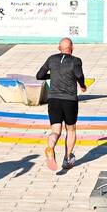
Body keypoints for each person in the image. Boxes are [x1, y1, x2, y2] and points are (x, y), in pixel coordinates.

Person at [36, 37, 86, 172]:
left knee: (55, 131)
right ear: (72, 48)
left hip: (53, 100)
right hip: (69, 100)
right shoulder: (76, 61)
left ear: (59, 48)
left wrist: (51, 76)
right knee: (71, 129)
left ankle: (50, 148)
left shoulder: (51, 59)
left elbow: (39, 76)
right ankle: (67, 159)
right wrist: (82, 85)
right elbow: (79, 75)